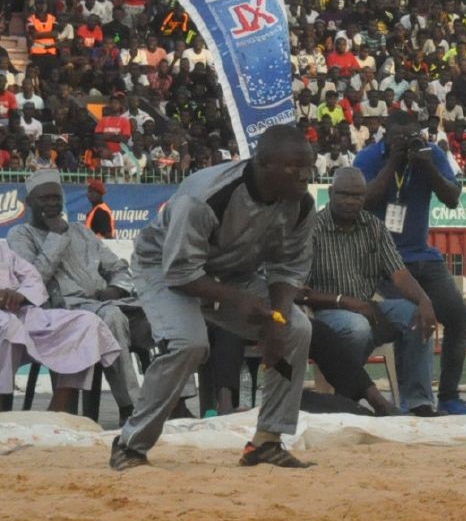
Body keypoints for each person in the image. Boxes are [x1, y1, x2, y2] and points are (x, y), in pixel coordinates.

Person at [110, 125, 318, 471]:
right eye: (294, 167)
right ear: (264, 163)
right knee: (189, 343)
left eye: (308, 166)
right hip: (163, 266)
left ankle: (267, 441)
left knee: (296, 328)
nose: (305, 175)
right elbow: (179, 271)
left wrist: (276, 321)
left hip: (233, 273)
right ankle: (129, 445)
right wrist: (237, 299)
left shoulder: (300, 204)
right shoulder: (205, 195)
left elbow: (288, 267)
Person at [354, 113, 466, 415]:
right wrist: (394, 162)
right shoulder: (369, 158)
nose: (406, 143)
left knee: (459, 318)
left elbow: (452, 198)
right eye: (399, 139)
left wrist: (427, 165)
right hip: (383, 260)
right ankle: (415, 401)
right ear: (386, 137)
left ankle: (449, 395)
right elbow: (364, 201)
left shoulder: (431, 154)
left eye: (412, 137)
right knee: (412, 317)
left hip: (423, 256)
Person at [301, 167, 441, 417]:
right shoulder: (312, 228)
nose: (350, 201)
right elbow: (300, 290)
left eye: (357, 196)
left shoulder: (373, 227)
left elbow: (398, 273)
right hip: (326, 311)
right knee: (357, 327)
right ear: (330, 193)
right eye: (344, 194)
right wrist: (346, 301)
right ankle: (348, 398)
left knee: (415, 317)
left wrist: (424, 300)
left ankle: (419, 402)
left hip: (368, 306)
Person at [9, 171, 142, 416]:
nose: (52, 204)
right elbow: (32, 281)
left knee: (158, 315)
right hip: (63, 311)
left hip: (106, 301)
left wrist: (117, 287)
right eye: (44, 199)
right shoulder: (21, 235)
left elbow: (118, 267)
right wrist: (56, 237)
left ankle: (177, 404)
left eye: (56, 198)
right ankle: (131, 407)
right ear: (29, 203)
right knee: (111, 317)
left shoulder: (81, 231)